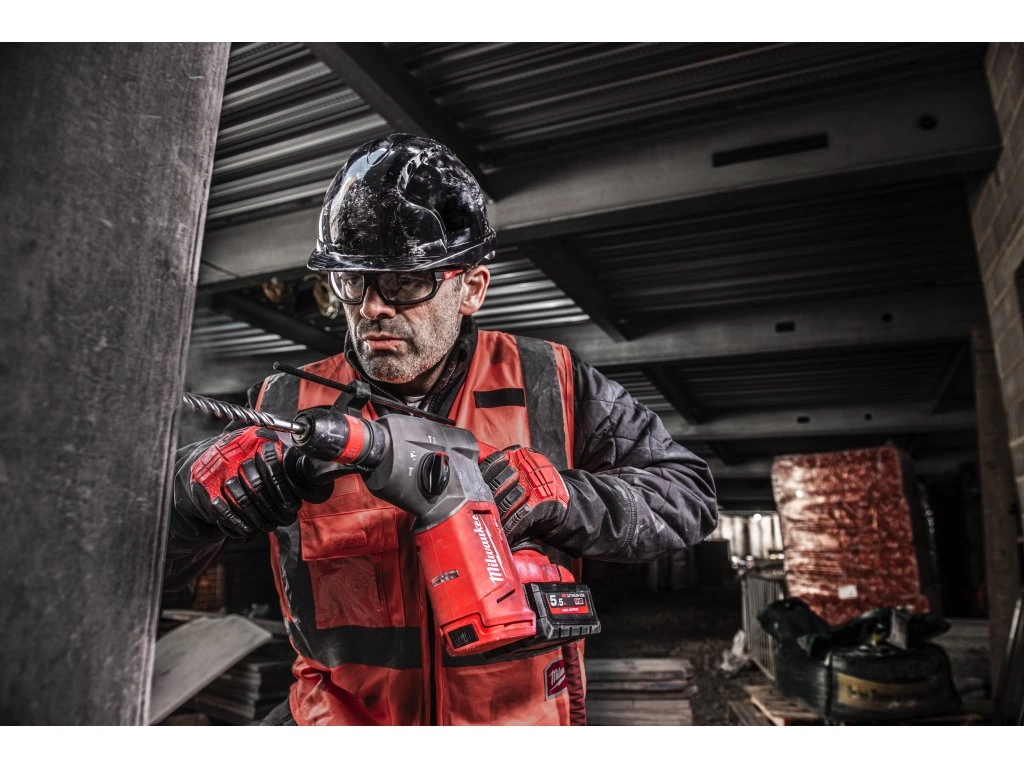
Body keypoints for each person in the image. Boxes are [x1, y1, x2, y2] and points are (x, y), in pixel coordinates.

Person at [166, 134, 718, 726]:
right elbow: (147, 564)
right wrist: (188, 501)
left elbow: (688, 494)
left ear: (471, 289)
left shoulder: (550, 382)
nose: (373, 307)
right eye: (353, 280)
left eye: (406, 282)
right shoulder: (284, 404)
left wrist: (565, 497)